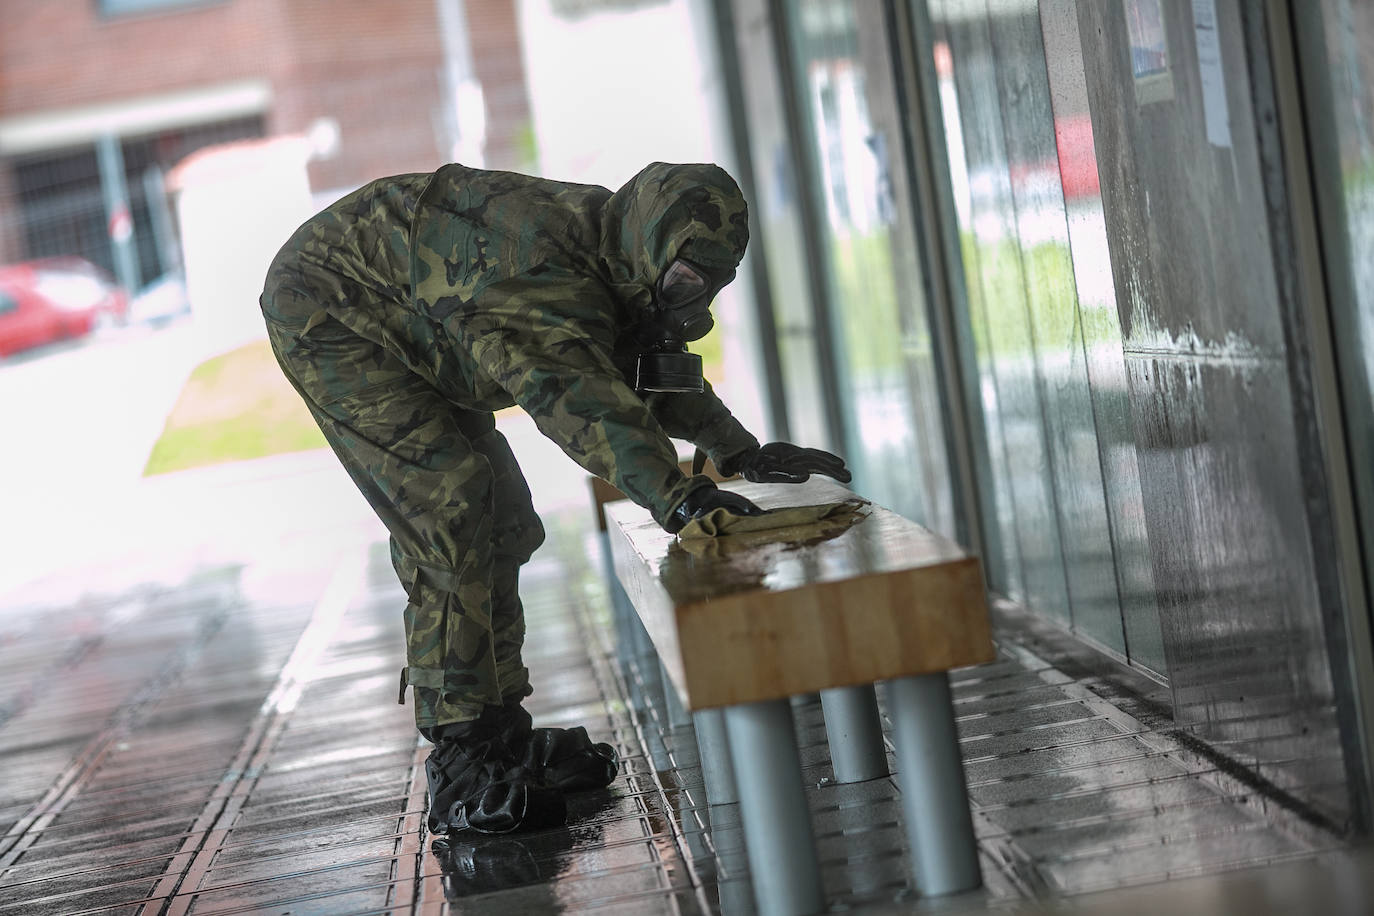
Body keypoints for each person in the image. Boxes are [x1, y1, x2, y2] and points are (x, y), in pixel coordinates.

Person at [259, 160, 850, 835]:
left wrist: (738, 449)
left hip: (420, 314)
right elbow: (580, 400)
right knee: (449, 510)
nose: (694, 300)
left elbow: (642, 372)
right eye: (687, 280)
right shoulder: (537, 269)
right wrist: (677, 498)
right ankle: (461, 762)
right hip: (334, 308)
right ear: (655, 245)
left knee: (503, 520)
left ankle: (500, 734)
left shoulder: (623, 256)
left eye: (711, 283)